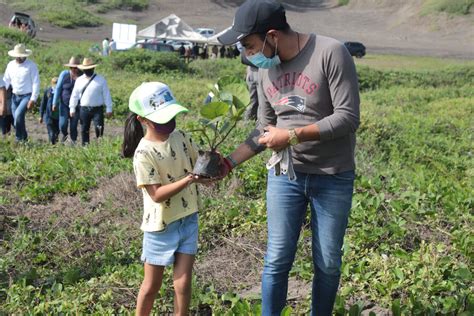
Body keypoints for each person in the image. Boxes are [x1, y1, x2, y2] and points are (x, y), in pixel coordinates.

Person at [218, 0, 360, 315]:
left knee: (328, 261)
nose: (247, 53)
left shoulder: (330, 53)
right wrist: (227, 163)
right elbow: (264, 131)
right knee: (277, 258)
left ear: (272, 35)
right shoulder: (263, 71)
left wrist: (292, 135)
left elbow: (347, 118)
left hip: (332, 176)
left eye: (250, 45)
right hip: (286, 176)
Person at [122, 82, 210, 316]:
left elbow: (199, 167)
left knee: (182, 284)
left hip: (188, 218)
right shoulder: (143, 153)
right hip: (161, 227)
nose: (169, 124)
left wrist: (211, 168)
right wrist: (190, 179)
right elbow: (157, 194)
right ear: (143, 119)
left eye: (171, 117)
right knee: (152, 286)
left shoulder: (182, 137)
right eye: (161, 120)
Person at [69, 58, 113, 146]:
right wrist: (72, 108)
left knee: (99, 128)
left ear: (93, 69)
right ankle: (85, 147)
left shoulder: (101, 80)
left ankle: (99, 145)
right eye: (86, 69)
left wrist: (109, 108)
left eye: (89, 69)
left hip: (97, 109)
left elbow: (106, 94)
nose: (87, 71)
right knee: (84, 129)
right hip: (84, 109)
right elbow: (74, 95)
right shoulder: (79, 80)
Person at [3, 44, 40, 142]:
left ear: (25, 55)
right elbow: (6, 80)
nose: (19, 58)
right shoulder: (10, 65)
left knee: (19, 115)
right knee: (17, 121)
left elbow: (36, 83)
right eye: (17, 56)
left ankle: (18, 139)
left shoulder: (31, 66)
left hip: (26, 96)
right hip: (15, 96)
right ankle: (25, 138)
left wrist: (33, 99)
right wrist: (3, 92)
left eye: (21, 56)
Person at [53, 56, 82, 143]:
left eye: (75, 67)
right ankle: (64, 136)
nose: (73, 69)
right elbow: (58, 88)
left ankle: (73, 141)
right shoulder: (64, 74)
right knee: (63, 124)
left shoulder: (82, 76)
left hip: (76, 105)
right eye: (71, 67)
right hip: (64, 104)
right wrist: (54, 103)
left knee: (73, 125)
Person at [39, 77, 60, 144]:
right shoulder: (47, 91)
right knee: (51, 132)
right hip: (49, 115)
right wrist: (41, 115)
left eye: (57, 83)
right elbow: (43, 103)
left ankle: (54, 144)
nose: (55, 85)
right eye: (54, 83)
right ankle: (52, 144)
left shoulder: (61, 91)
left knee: (57, 132)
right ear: (51, 83)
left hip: (58, 116)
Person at [241, 54, 259, 121]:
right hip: (257, 69)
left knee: (252, 100)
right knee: (259, 101)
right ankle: (250, 123)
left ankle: (249, 122)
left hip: (252, 68)